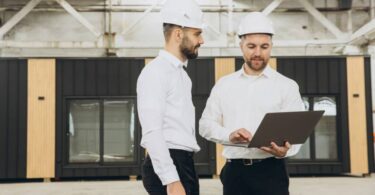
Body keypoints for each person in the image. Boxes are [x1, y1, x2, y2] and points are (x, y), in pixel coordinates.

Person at [199, 12, 304, 195]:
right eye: (251, 46)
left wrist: (285, 151)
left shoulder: (287, 86)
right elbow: (205, 125)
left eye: (264, 47)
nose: (257, 53)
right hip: (235, 174)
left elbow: (295, 134)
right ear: (241, 46)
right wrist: (229, 135)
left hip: (272, 172)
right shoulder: (225, 84)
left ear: (271, 46)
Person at [136, 0, 204, 195]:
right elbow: (152, 131)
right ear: (178, 34)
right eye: (197, 33)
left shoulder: (181, 74)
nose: (202, 40)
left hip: (183, 162)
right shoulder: (156, 72)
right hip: (171, 163)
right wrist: (171, 179)